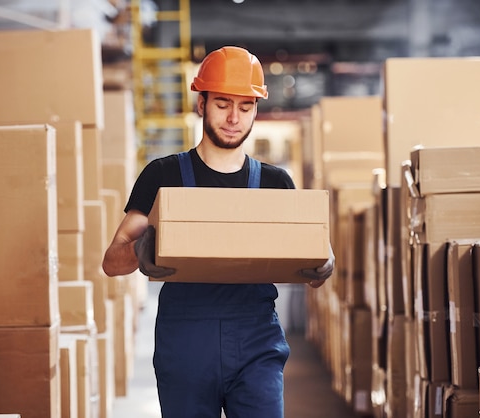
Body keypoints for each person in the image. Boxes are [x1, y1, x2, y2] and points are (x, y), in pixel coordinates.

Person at [102, 45, 334, 418]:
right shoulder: (164, 176)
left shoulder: (276, 184)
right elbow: (112, 262)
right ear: (201, 104)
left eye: (245, 107)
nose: (233, 118)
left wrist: (324, 260)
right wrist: (144, 249)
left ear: (256, 110)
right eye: (223, 103)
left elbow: (312, 272)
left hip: (257, 341)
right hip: (185, 345)